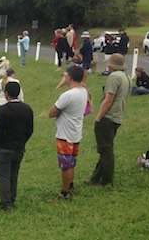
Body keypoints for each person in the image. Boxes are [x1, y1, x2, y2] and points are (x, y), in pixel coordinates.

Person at [88, 53, 130, 186]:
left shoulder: (113, 77)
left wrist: (99, 116)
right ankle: (95, 178)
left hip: (108, 117)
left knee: (105, 150)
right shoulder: (126, 77)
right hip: (118, 116)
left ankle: (106, 180)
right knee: (106, 148)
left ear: (111, 65)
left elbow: (109, 99)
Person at [0, 81, 34, 211]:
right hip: (18, 148)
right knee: (14, 174)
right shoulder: (27, 109)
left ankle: (5, 204)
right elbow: (30, 130)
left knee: (3, 175)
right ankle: (12, 198)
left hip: (3, 148)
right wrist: (22, 141)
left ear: (6, 93)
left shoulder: (3, 111)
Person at [48, 65, 89, 201]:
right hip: (76, 133)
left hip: (65, 135)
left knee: (66, 165)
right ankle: (70, 185)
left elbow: (52, 113)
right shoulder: (83, 91)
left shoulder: (68, 95)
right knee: (71, 163)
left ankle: (65, 193)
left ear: (70, 77)